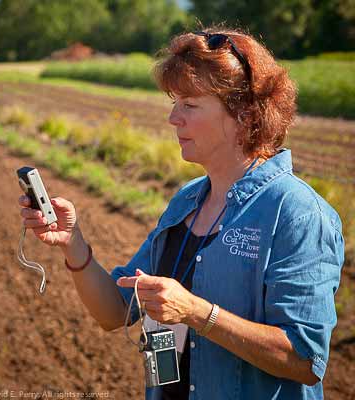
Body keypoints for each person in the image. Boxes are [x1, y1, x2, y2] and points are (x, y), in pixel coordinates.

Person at [19, 27, 345, 400]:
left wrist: (196, 312)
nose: (174, 118)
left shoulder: (298, 215)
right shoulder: (187, 201)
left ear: (244, 112)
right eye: (174, 103)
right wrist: (72, 243)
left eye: (189, 105)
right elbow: (116, 312)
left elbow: (305, 360)